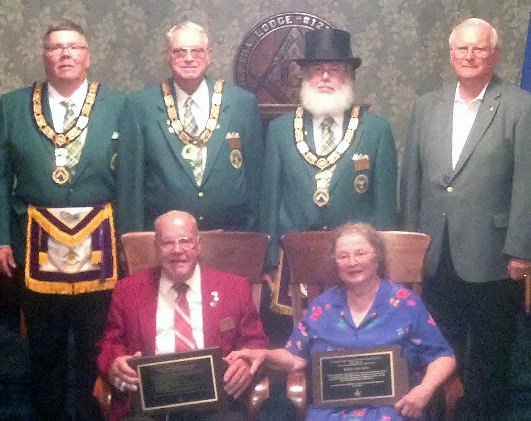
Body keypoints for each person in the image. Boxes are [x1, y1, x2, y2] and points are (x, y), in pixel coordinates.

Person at [400, 18, 531, 419]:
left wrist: (521, 249)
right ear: (451, 54)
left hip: (496, 256)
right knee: (437, 347)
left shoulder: (520, 105)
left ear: (495, 54)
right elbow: (412, 180)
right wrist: (408, 245)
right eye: (462, 49)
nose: (469, 56)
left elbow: (528, 179)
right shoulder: (427, 105)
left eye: (479, 49)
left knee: (491, 354)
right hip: (435, 254)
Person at [0, 20, 125, 421]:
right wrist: (1, 237)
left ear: (88, 58)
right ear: (45, 57)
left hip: (101, 241)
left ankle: (92, 415)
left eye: (73, 47)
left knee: (95, 341)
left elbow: (132, 178)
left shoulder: (119, 105)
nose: (65, 54)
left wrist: (131, 240)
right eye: (56, 47)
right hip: (35, 241)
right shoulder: (12, 105)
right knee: (44, 344)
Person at [229, 222, 455, 420]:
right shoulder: (322, 306)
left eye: (360, 253)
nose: (352, 262)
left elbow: (443, 356)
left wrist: (424, 390)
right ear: (335, 263)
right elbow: (295, 358)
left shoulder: (405, 303)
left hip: (393, 410)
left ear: (377, 257)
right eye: (343, 256)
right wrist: (265, 354)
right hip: (331, 412)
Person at [260, 28, 398, 318]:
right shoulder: (280, 130)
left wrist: (385, 262)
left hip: (356, 261)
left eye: (334, 70)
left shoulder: (376, 130)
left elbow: (385, 206)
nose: (324, 77)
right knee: (297, 342)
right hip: (295, 258)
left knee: (353, 337)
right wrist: (270, 260)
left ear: (348, 76)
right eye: (316, 69)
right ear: (305, 76)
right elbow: (269, 199)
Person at [97, 210, 269, 421]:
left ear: (198, 245)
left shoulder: (234, 288)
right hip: (150, 407)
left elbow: (255, 343)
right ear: (156, 248)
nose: (177, 250)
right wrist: (116, 363)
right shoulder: (128, 290)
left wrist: (244, 363)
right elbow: (110, 343)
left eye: (185, 241)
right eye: (167, 243)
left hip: (216, 406)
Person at [116, 21, 264, 234]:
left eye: (197, 51)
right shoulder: (141, 105)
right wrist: (132, 241)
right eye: (179, 52)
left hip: (231, 234)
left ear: (209, 55)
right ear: (168, 55)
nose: (188, 58)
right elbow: (131, 184)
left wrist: (255, 236)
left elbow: (255, 178)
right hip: (165, 239)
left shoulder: (241, 103)